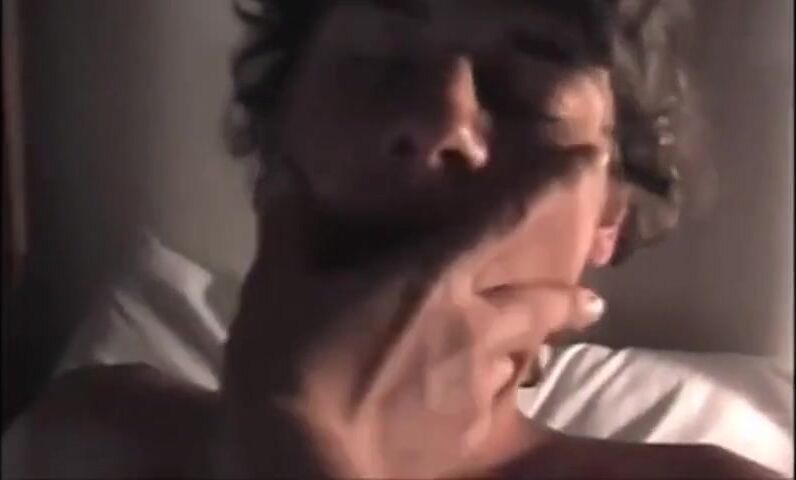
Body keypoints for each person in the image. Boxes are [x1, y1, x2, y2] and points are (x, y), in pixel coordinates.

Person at [7, 0, 782, 478]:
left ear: (609, 216)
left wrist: (296, 437)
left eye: (529, 94)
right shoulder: (94, 444)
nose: (442, 121)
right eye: (375, 64)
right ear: (278, 146)